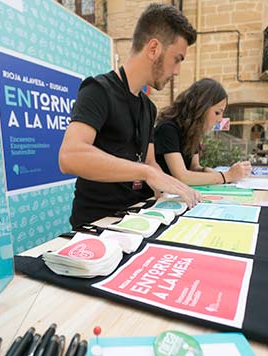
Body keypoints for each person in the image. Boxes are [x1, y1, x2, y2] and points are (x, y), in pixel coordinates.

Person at [59, 4, 201, 229]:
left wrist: (175, 188)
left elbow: (150, 162)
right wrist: (145, 172)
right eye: (177, 59)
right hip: (96, 226)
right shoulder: (98, 90)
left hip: (136, 218)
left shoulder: (149, 107)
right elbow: (69, 156)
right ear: (153, 48)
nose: (176, 71)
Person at [153, 78, 251, 185]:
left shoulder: (192, 130)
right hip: (161, 196)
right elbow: (182, 176)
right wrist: (227, 176)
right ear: (200, 108)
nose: (220, 119)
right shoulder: (167, 128)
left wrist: (208, 171)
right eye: (217, 112)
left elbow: (194, 167)